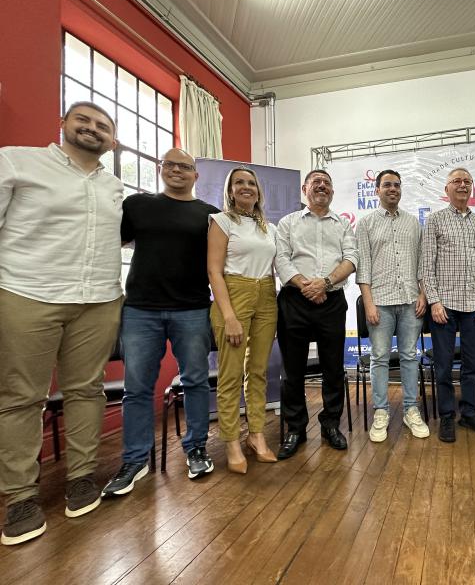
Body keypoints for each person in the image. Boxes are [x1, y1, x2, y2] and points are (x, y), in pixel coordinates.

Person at [0, 102, 124, 545]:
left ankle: (82, 477)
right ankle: (20, 497)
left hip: (98, 299)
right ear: (63, 124)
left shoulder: (113, 185)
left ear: (112, 140)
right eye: (83, 120)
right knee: (21, 397)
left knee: (86, 390)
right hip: (27, 292)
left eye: (102, 125)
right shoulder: (16, 161)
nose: (92, 128)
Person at [102, 148, 218, 497]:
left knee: (195, 381)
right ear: (160, 168)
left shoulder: (210, 215)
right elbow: (108, 244)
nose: (177, 170)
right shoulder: (137, 205)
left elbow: (219, 264)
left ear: (195, 175)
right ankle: (135, 460)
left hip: (192, 309)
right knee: (137, 388)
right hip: (141, 310)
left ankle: (196, 449)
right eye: (171, 165)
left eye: (185, 166)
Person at [275, 169, 358, 459]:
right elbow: (281, 259)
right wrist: (306, 286)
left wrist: (325, 283)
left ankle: (330, 424)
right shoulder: (288, 223)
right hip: (294, 301)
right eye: (316, 182)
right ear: (305, 189)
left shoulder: (343, 224)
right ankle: (296, 428)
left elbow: (351, 258)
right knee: (293, 370)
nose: (322, 186)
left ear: (332, 191)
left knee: (333, 368)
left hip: (331, 301)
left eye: (327, 183)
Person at [208, 167, 279, 473]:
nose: (246, 187)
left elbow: (275, 267)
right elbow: (214, 271)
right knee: (231, 373)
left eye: (251, 183)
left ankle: (257, 435)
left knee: (258, 371)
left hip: (267, 294)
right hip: (234, 293)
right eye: (239, 182)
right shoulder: (221, 221)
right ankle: (231, 441)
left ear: (258, 191)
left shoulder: (269, 228)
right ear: (230, 190)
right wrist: (229, 316)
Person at [421, 167, 475, 442]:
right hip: (444, 306)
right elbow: (426, 266)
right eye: (456, 181)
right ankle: (446, 416)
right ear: (447, 189)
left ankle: (469, 413)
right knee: (442, 365)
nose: (462, 185)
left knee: (472, 364)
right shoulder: (435, 220)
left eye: (467, 181)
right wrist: (434, 301)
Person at [356, 169, 429, 442]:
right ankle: (381, 411)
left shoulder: (413, 223)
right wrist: (369, 303)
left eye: (397, 185)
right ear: (377, 190)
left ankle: (411, 409)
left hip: (411, 301)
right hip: (380, 302)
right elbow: (363, 267)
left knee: (410, 356)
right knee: (379, 358)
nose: (392, 189)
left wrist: (423, 294)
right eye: (387, 185)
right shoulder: (366, 224)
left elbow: (422, 263)